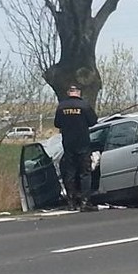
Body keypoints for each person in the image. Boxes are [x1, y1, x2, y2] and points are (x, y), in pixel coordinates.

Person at [54, 84, 98, 212]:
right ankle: (85, 202)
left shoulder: (61, 106)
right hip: (83, 144)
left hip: (68, 145)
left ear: (69, 92)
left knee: (70, 173)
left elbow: (57, 123)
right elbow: (93, 121)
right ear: (78, 92)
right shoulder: (84, 105)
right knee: (85, 173)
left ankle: (71, 203)